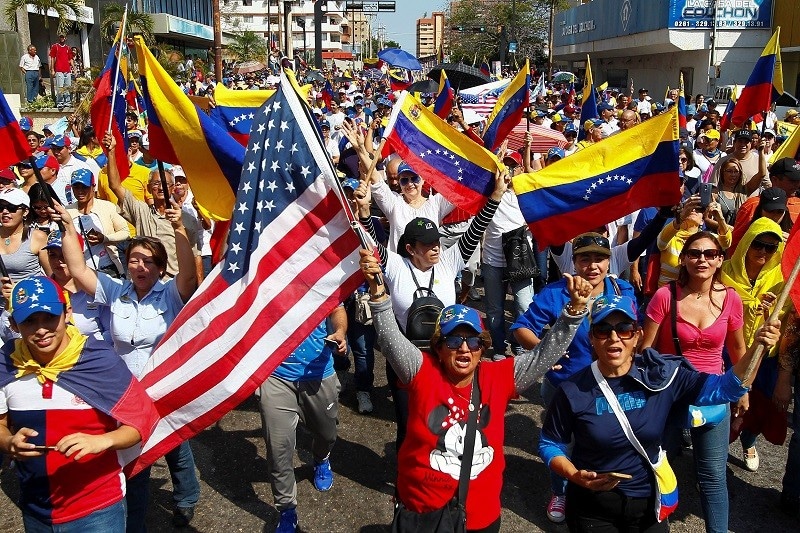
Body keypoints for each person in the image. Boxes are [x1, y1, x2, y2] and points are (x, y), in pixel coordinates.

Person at [362, 240, 594, 532]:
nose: (464, 349)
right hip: (421, 511)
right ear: (439, 347)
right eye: (454, 340)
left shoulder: (498, 376)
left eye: (473, 341)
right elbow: (389, 339)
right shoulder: (421, 369)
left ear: (482, 347)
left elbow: (543, 355)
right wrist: (378, 293)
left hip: (480, 517)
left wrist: (573, 312)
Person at [539, 293, 780, 533]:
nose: (614, 338)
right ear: (592, 338)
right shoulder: (572, 390)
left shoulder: (661, 376)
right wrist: (573, 475)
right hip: (591, 507)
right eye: (602, 330)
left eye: (624, 328)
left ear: (637, 335)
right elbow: (551, 443)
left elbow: (726, 389)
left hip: (648, 504)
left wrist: (758, 346)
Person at [54, 201, 201, 531]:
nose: (140, 266)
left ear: (160, 268)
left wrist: (179, 228)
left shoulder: (170, 294)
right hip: (127, 393)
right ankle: (134, 523)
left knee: (174, 448)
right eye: (134, 259)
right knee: (134, 462)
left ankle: (186, 497)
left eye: (148, 261)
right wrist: (68, 227)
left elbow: (189, 274)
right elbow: (78, 270)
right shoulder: (116, 290)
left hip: (163, 387)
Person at [0, 275, 159, 532]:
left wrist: (101, 441)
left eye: (49, 317)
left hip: (98, 510)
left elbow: (143, 421)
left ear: (68, 312)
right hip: (35, 510)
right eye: (29, 321)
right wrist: (8, 442)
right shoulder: (6, 363)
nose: (41, 329)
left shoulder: (98, 360)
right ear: (14, 325)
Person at [512, 231, 636, 523]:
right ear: (574, 261)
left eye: (600, 259)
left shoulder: (622, 291)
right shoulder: (556, 292)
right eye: (585, 259)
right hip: (564, 386)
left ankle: (602, 491)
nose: (592, 266)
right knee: (562, 444)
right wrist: (545, 355)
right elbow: (521, 327)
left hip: (609, 386)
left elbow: (634, 333)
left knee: (604, 440)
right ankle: (561, 491)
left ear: (609, 262)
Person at [641, 231, 748, 533]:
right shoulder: (666, 295)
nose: (702, 259)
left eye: (710, 254)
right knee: (660, 467)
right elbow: (646, 348)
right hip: (670, 396)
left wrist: (743, 390)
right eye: (695, 253)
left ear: (719, 260)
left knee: (713, 475)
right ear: (684, 258)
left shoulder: (731, 299)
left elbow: (738, 350)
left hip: (714, 396)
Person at [258, 306, 347, 533]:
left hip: (319, 374)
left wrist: (340, 331)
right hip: (275, 377)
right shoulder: (264, 274)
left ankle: (321, 458)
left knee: (327, 434)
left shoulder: (318, 271)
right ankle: (287, 510)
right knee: (278, 451)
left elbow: (337, 308)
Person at [721, 218, 787, 472]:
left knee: (758, 408)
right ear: (747, 243)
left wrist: (770, 314)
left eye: (770, 247)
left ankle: (749, 442)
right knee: (725, 406)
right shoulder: (725, 271)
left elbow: (786, 321)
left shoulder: (782, 279)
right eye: (758, 244)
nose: (763, 251)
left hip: (763, 357)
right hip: (730, 351)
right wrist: (744, 305)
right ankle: (716, 457)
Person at [66, 168, 129, 278]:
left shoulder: (107, 207)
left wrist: (105, 238)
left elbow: (125, 232)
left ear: (93, 187)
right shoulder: (67, 211)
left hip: (109, 268)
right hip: (81, 271)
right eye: (76, 187)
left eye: (84, 187)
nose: (80, 191)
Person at [49, 33, 72, 109]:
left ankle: (67, 102)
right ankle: (60, 103)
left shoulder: (68, 48)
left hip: (67, 70)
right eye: (60, 37)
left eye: (63, 37)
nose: (62, 38)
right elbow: (52, 57)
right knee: (60, 87)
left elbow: (70, 59)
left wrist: (74, 68)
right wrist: (52, 69)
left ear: (66, 38)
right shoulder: (55, 46)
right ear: (59, 38)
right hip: (59, 70)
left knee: (67, 87)